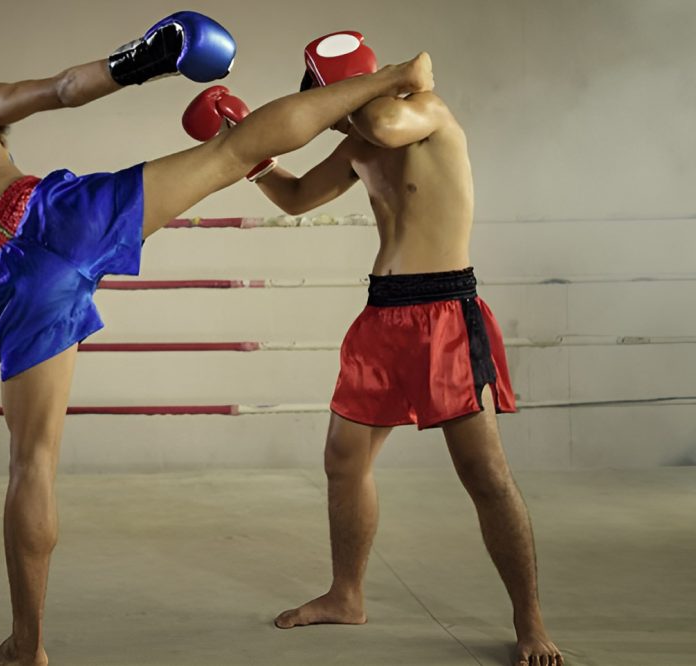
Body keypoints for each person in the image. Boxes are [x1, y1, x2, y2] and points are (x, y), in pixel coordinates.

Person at [0, 13, 434, 666]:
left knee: (31, 465)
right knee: (230, 154)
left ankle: (26, 646)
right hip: (55, 213)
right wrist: (148, 59)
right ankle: (393, 75)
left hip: (10, 278)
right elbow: (64, 89)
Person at [186, 30, 561, 666]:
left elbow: (384, 122)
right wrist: (249, 151)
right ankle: (346, 594)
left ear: (348, 91)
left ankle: (531, 621)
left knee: (484, 472)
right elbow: (298, 198)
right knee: (343, 458)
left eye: (326, 101)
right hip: (383, 316)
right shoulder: (359, 143)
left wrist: (367, 86)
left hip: (444, 311)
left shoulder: (422, 113)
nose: (327, 118)